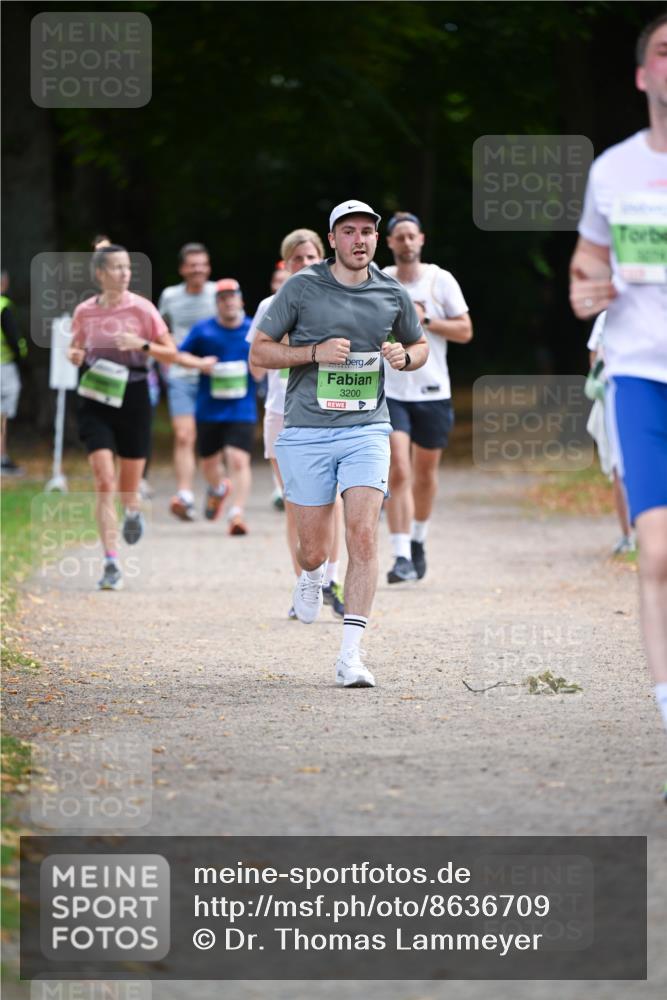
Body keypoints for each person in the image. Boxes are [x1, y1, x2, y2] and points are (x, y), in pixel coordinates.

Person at [250, 200, 428, 688]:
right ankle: (311, 576)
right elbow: (260, 351)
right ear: (333, 239)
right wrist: (313, 353)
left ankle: (351, 654)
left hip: (368, 428)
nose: (359, 240)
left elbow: (420, 346)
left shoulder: (392, 292)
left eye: (367, 232)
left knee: (363, 535)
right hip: (307, 430)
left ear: (376, 238)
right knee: (313, 550)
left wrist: (404, 357)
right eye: (348, 231)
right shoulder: (302, 288)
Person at [569, 13, 667, 782]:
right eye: (665, 52)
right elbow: (584, 265)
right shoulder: (612, 171)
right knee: (657, 554)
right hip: (640, 374)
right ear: (642, 75)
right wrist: (583, 290)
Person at [247, 229, 346, 618]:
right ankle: (304, 583)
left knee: (332, 500)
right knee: (295, 503)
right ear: (285, 264)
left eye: (311, 258)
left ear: (323, 258)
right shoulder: (270, 305)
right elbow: (256, 363)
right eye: (297, 259)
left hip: (328, 410)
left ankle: (331, 580)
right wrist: (296, 348)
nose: (304, 265)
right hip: (281, 412)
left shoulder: (337, 301)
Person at [68, 244, 176, 590]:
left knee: (128, 488)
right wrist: (73, 353)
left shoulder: (142, 309)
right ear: (100, 273)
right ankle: (111, 562)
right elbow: (75, 347)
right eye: (116, 267)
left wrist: (141, 345)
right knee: (103, 479)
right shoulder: (84, 312)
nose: (124, 273)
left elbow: (170, 354)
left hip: (133, 397)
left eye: (127, 267)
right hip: (95, 395)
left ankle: (131, 511)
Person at [382, 212, 472, 583]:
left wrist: (427, 321)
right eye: (398, 237)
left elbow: (466, 331)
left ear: (421, 240)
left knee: (424, 474)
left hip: (434, 390)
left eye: (410, 236)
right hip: (390, 391)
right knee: (398, 469)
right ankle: (401, 554)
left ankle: (418, 539)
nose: (405, 243)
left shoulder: (441, 280)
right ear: (389, 243)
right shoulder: (381, 281)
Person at [177, 279, 256, 534]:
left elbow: (266, 357)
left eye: (232, 297)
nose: (228, 302)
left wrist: (260, 370)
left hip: (242, 407)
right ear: (216, 304)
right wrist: (201, 364)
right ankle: (219, 488)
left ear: (240, 300)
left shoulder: (253, 329)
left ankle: (236, 514)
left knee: (238, 459)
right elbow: (180, 356)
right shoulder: (203, 330)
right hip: (209, 408)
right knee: (209, 464)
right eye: (223, 298)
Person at [158, 243, 218, 521]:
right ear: (183, 268)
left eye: (202, 264)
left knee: (213, 440)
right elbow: (161, 331)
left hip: (214, 377)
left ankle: (217, 487)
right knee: (184, 436)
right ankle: (185, 495)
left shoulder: (219, 293)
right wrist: (170, 355)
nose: (198, 269)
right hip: (181, 375)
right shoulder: (170, 296)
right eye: (192, 264)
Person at [584, 310, 634, 554]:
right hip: (618, 398)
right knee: (620, 468)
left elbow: (594, 360)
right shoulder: (608, 316)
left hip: (616, 396)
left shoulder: (607, 315)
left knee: (620, 467)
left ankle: (629, 536)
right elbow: (595, 358)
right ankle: (629, 535)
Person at [0, 269, 28, 475]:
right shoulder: (3, 306)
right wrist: (21, 357)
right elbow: (14, 340)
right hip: (4, 366)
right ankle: (1, 458)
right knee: (2, 414)